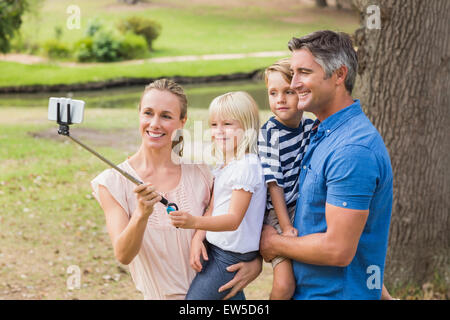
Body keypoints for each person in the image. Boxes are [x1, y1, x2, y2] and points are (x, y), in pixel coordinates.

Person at [91, 79, 262, 300]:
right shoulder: (112, 183)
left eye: (166, 116)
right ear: (139, 115)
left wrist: (255, 261)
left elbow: (248, 215)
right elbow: (123, 254)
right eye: (148, 113)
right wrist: (142, 213)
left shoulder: (202, 174)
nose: (155, 123)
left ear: (182, 122)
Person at [260, 30, 394, 300]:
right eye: (293, 73)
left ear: (339, 75)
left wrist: (274, 242)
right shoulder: (320, 133)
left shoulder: (352, 150)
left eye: (304, 73)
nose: (294, 83)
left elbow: (338, 249)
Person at [170, 91, 267, 300]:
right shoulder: (226, 164)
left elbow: (233, 220)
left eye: (228, 124)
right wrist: (198, 235)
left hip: (231, 255)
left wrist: (192, 221)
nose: (219, 131)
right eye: (214, 125)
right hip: (216, 248)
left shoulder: (247, 166)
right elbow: (213, 208)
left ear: (247, 128)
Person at [258, 58, 315, 300]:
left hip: (302, 207)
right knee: (284, 285)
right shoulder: (269, 133)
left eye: (288, 91)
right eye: (273, 93)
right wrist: (287, 227)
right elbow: (274, 184)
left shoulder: (311, 126)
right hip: (278, 211)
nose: (280, 99)